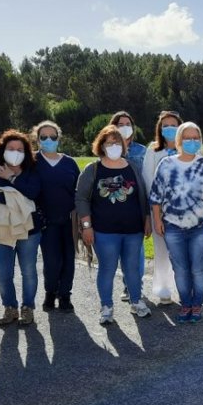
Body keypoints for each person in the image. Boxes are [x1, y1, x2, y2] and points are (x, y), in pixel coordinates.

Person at [76, 125, 152, 325]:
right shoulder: (92, 170)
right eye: (109, 143)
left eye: (117, 142)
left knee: (132, 268)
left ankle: (136, 301)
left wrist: (147, 219)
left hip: (133, 230)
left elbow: (142, 196)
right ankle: (106, 307)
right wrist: (86, 226)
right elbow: (82, 199)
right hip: (104, 232)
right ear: (101, 145)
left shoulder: (132, 167)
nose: (114, 146)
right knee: (107, 269)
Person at [149, 122, 203, 324]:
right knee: (180, 268)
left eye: (195, 138)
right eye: (187, 138)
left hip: (201, 228)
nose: (192, 141)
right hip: (172, 226)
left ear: (200, 140)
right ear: (179, 140)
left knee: (198, 267)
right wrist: (157, 221)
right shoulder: (166, 164)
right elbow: (155, 197)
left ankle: (197, 303)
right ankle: (185, 303)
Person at [0, 130, 42, 327]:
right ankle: (10, 307)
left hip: (29, 230)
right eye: (11, 149)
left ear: (26, 152)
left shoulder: (32, 170)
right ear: (2, 150)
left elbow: (34, 191)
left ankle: (28, 308)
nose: (15, 152)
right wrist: (15, 196)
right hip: (0, 229)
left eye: (20, 149)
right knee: (4, 273)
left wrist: (11, 180)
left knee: (29, 271)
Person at [32, 120, 80, 313]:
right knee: (52, 261)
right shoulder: (32, 162)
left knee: (69, 260)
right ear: (38, 140)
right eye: (44, 137)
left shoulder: (69, 163)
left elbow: (79, 192)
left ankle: (65, 295)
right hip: (46, 221)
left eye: (53, 137)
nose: (49, 140)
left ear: (59, 138)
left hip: (69, 220)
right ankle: (50, 292)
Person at [142, 110, 183, 305]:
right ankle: (164, 290)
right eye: (165, 125)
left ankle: (185, 288)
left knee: (183, 251)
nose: (169, 129)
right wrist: (155, 206)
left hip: (184, 211)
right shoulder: (153, 150)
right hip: (159, 209)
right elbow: (147, 178)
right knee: (162, 252)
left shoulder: (188, 148)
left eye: (172, 125)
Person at [111, 110, 146, 302]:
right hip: (114, 208)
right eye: (120, 124)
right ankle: (127, 283)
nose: (124, 127)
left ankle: (134, 285)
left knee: (136, 250)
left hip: (136, 208)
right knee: (120, 251)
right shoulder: (107, 149)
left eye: (127, 124)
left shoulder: (141, 151)